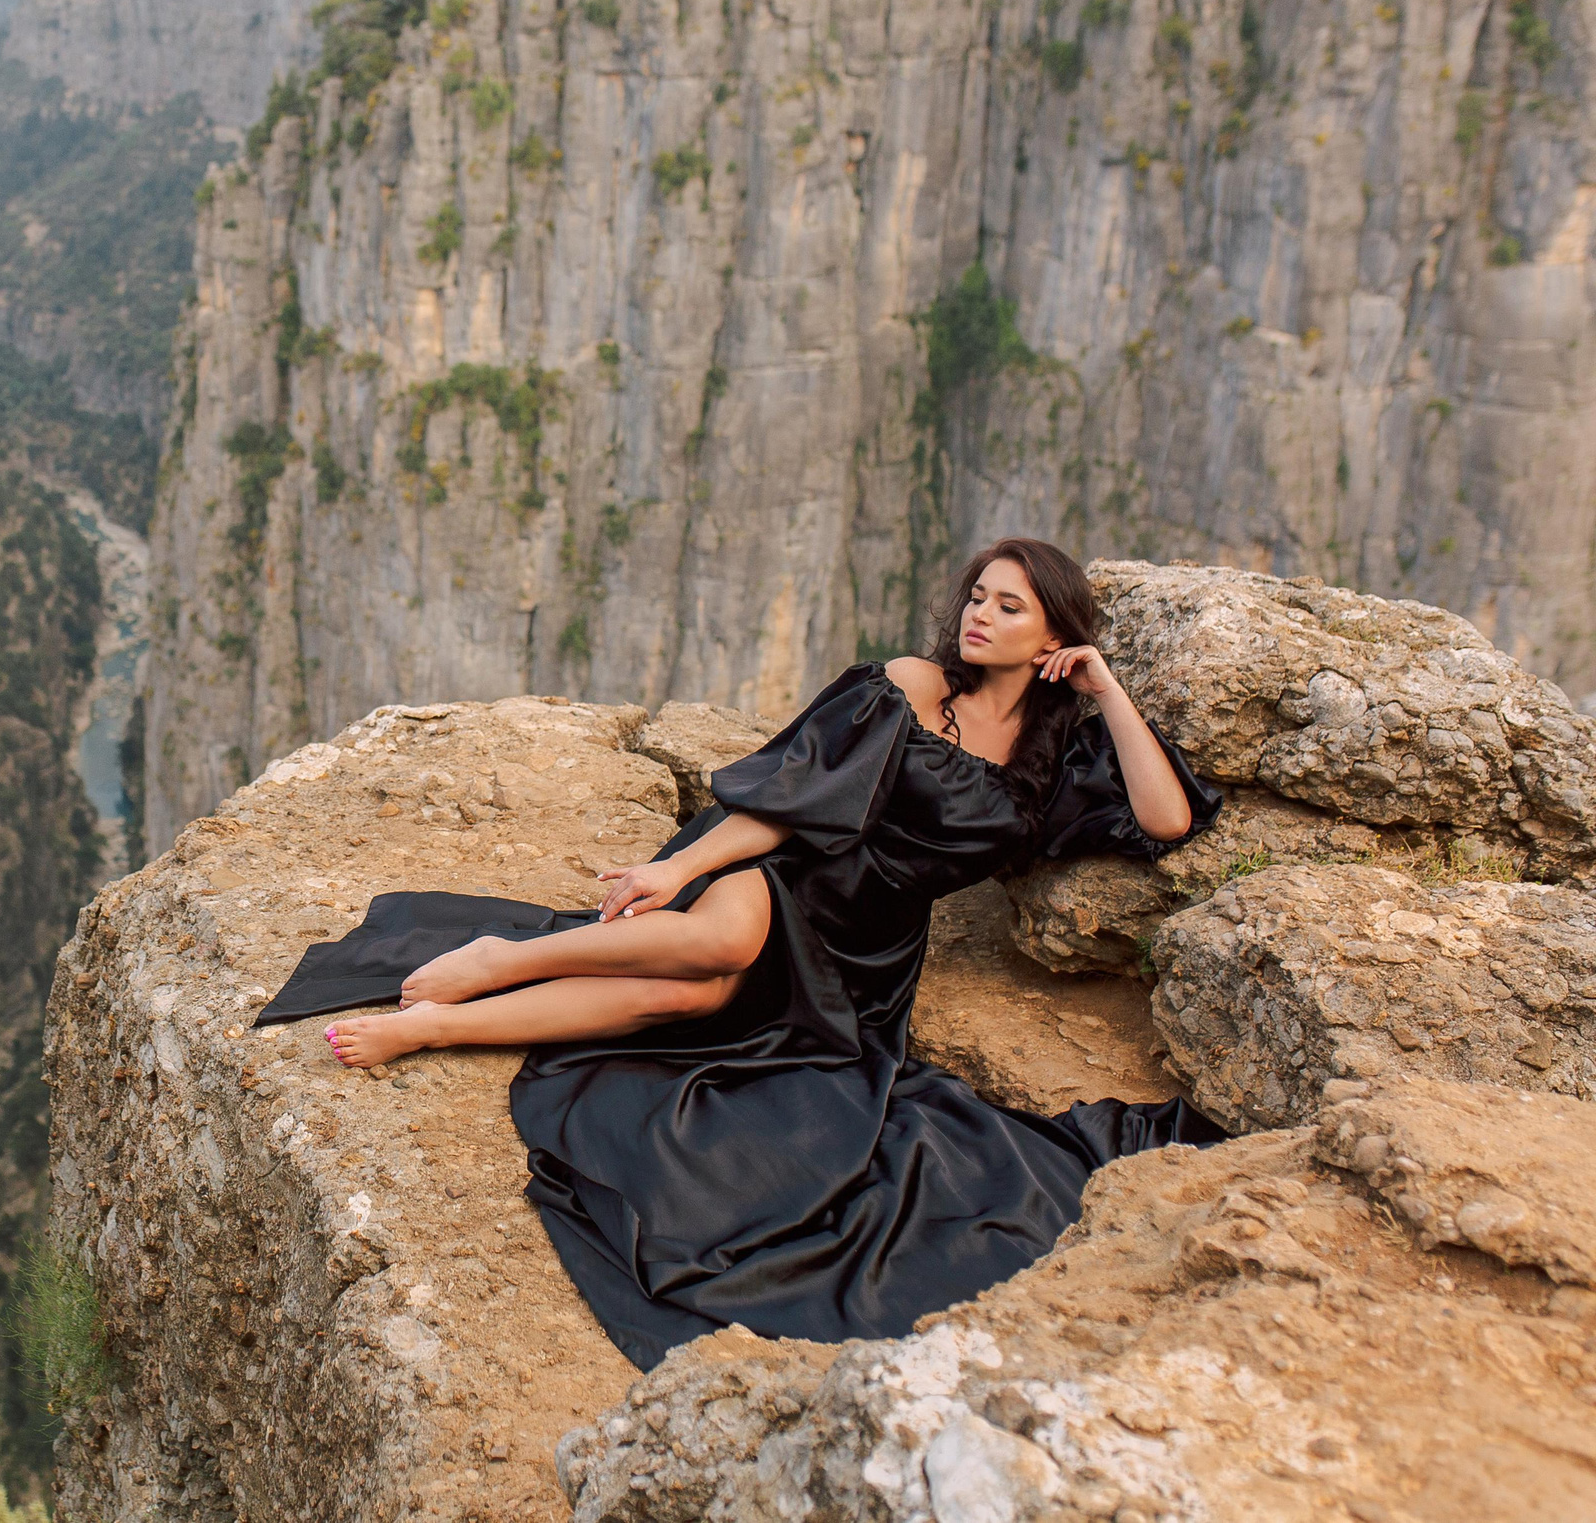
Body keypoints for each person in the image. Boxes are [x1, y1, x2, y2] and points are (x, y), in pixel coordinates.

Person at [254, 538, 1226, 1368]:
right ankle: (499, 960)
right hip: (782, 865)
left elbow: (1165, 816)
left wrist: (1102, 683)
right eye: (976, 595)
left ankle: (435, 1027)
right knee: (722, 943)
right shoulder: (907, 686)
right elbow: (789, 787)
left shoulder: (1053, 767)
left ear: (1050, 635)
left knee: (690, 1001)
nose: (978, 614)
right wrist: (681, 868)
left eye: (1007, 606)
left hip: (864, 953)